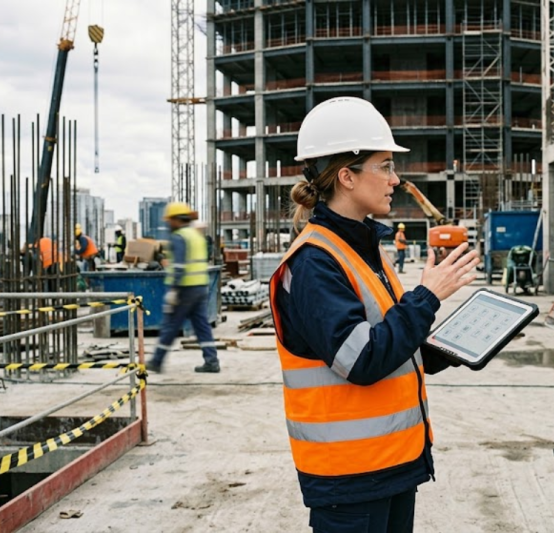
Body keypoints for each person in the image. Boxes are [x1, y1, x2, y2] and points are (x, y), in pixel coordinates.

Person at [269, 96, 480, 533]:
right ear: (346, 176)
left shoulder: (364, 249)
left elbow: (390, 343)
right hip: (350, 477)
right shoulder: (314, 263)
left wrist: (452, 344)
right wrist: (427, 296)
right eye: (384, 166)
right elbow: (361, 360)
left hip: (391, 465)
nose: (395, 179)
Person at [146, 202, 220, 374]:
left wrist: (174, 289)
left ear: (176, 219)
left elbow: (179, 265)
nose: (168, 223)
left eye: (169, 220)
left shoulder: (179, 237)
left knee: (171, 325)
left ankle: (157, 361)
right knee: (202, 326)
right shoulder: (196, 236)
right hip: (200, 286)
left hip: (184, 288)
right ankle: (212, 361)